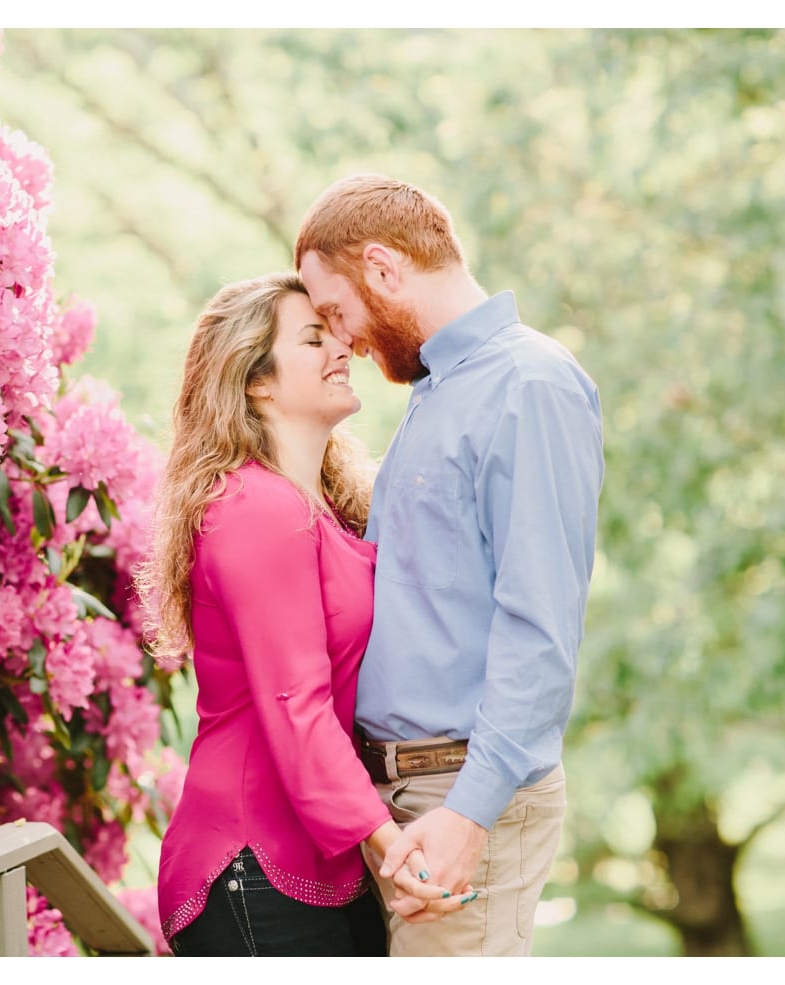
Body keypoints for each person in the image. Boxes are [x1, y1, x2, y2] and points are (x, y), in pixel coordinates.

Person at [294, 174, 605, 957]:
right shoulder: (441, 392)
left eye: (338, 311)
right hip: (408, 794)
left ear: (384, 267)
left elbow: (540, 625)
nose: (346, 341)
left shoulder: (529, 384)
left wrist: (470, 810)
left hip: (464, 793)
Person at [138, 272, 470, 957]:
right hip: (251, 862)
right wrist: (392, 846)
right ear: (255, 380)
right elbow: (296, 703)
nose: (340, 347)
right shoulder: (256, 509)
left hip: (319, 861)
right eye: (313, 337)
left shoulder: (320, 508)